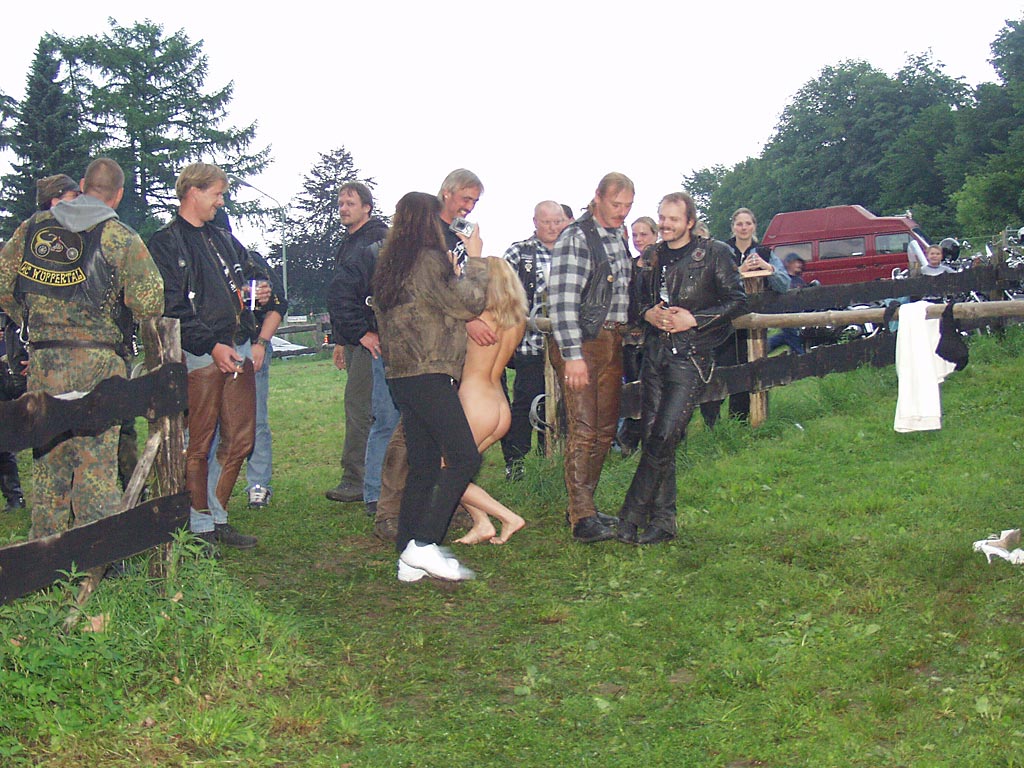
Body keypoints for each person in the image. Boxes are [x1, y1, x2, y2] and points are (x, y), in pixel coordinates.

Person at [0, 158, 164, 538]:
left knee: (49, 467)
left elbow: (3, 285)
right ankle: (97, 556)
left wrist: (30, 320)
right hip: (100, 365)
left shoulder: (31, 229)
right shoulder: (120, 237)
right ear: (118, 195)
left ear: (83, 185)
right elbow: (150, 302)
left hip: (45, 363)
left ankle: (46, 556)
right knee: (96, 469)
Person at [149, 162, 280, 552]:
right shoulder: (166, 243)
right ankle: (198, 523)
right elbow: (171, 306)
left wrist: (259, 294)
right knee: (200, 442)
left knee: (240, 439)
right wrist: (210, 345)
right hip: (200, 355)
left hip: (236, 347)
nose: (221, 201)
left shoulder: (223, 239)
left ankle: (217, 516)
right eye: (217, 194)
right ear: (194, 191)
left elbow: (251, 280)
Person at [373, 191, 489, 582]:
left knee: (423, 466)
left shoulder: (390, 264)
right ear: (427, 221)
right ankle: (424, 544)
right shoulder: (428, 260)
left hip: (401, 375)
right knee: (465, 458)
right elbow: (469, 304)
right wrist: (475, 260)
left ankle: (407, 557)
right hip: (430, 372)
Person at [618, 192, 747, 545]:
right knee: (653, 436)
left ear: (690, 221)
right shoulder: (650, 257)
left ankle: (630, 516)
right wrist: (647, 314)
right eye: (662, 217)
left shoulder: (715, 253)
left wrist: (695, 319)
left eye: (673, 219)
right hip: (654, 355)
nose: (665, 224)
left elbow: (738, 301)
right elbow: (635, 303)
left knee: (665, 435)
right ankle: (663, 521)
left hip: (691, 357)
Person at [548, 172, 634, 544]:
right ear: (597, 197)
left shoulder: (617, 236)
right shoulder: (576, 237)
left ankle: (583, 506)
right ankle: (582, 517)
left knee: (603, 429)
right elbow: (562, 301)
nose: (622, 211)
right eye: (616, 204)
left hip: (612, 339)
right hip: (583, 342)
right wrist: (572, 355)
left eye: (628, 205)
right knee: (584, 429)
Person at [325, 182, 397, 516]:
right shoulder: (350, 242)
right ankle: (365, 477)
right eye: (341, 203)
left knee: (363, 408)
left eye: (350, 203)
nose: (343, 208)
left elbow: (371, 296)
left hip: (373, 341)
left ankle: (359, 480)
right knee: (361, 407)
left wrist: (366, 332)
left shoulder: (376, 241)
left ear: (367, 207)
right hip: (357, 339)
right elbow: (346, 295)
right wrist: (342, 340)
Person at [207, 247, 287, 515]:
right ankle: (210, 487)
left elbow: (278, 303)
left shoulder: (249, 262)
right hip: (211, 348)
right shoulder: (202, 264)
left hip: (249, 345)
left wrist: (261, 343)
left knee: (256, 418)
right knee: (212, 423)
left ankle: (258, 484)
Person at [454, 257, 528, 545]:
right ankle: (481, 523)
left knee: (443, 468)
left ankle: (506, 517)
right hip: (499, 402)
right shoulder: (517, 320)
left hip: (476, 400)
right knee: (458, 468)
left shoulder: (477, 319)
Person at [701, 207, 788, 427]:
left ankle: (739, 423)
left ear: (754, 226)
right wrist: (739, 271)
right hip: (726, 323)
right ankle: (712, 422)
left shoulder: (765, 253)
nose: (743, 228)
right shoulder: (721, 250)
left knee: (750, 370)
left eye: (748, 223)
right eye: (739, 224)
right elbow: (711, 286)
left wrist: (768, 268)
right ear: (733, 226)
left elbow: (784, 284)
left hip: (755, 323)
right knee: (721, 370)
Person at [499, 200, 567, 481]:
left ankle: (552, 457)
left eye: (557, 221)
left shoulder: (573, 253)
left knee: (562, 403)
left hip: (566, 345)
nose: (552, 227)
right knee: (526, 401)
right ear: (535, 222)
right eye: (546, 222)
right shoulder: (519, 252)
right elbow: (501, 291)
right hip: (529, 343)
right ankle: (515, 462)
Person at [768, 254, 808, 355]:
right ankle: (801, 356)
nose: (799, 265)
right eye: (796, 262)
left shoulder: (800, 280)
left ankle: (766, 346)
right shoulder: (783, 280)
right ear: (788, 263)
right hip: (786, 313)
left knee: (787, 337)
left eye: (800, 263)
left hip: (799, 313)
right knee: (792, 335)